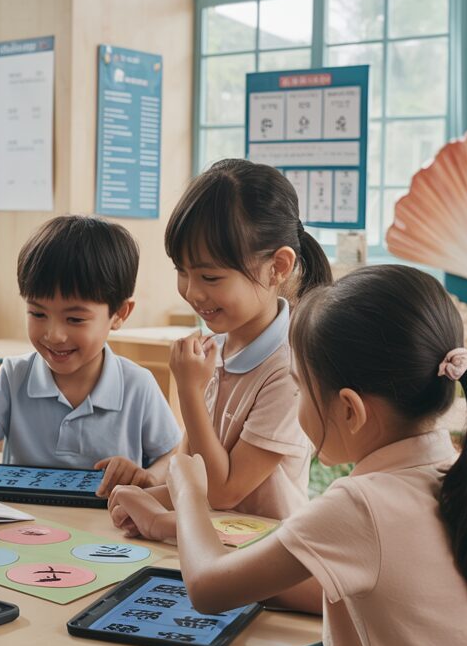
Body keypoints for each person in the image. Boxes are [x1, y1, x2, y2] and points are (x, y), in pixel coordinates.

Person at [115, 265, 467, 646]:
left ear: (350, 410)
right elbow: (317, 587)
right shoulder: (459, 475)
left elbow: (207, 589)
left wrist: (187, 492)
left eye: (299, 389)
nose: (295, 402)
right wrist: (167, 526)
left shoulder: (362, 503)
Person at [108, 158, 333, 542]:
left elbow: (224, 491)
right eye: (182, 271)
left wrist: (189, 392)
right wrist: (151, 488)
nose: (193, 292)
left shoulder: (290, 369)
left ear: (277, 266)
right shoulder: (216, 347)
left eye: (210, 277)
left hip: (265, 557)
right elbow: (191, 469)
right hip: (207, 544)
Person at [0, 215, 181, 496]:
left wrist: (148, 476)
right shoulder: (15, 376)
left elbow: (172, 454)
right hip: (22, 526)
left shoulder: (138, 385)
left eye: (74, 319)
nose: (54, 335)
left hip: (106, 528)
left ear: (119, 314)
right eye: (38, 314)